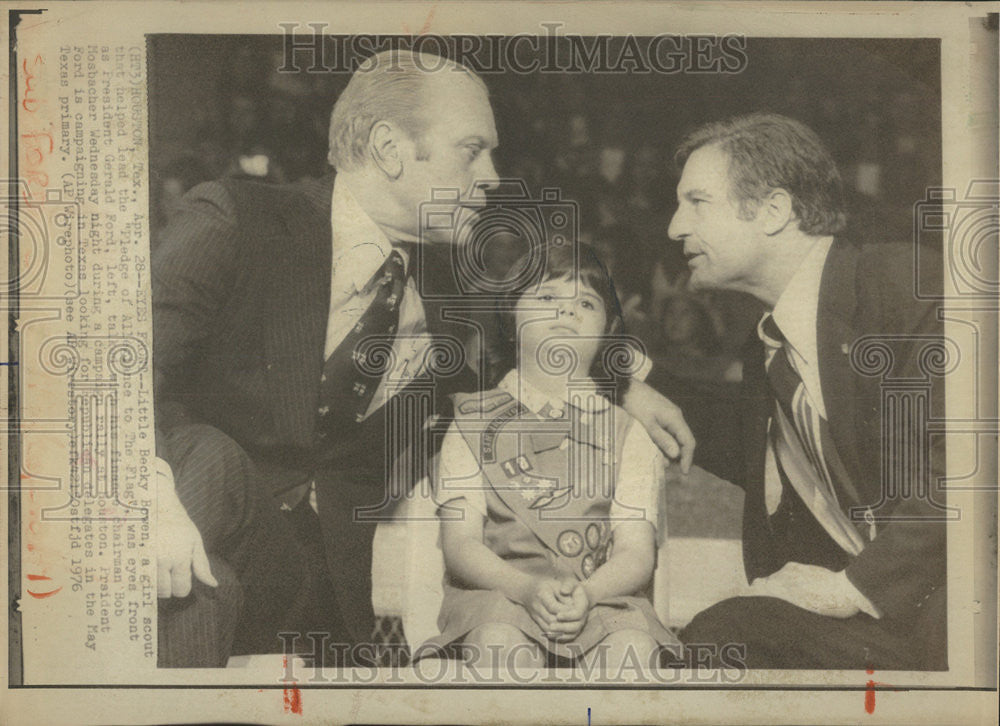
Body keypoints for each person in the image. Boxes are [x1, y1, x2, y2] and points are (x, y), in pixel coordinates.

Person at [152, 50, 696, 667]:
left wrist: (628, 384)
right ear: (390, 147)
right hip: (194, 517)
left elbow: (534, 357)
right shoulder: (239, 220)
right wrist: (153, 493)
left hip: (318, 587)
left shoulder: (450, 291)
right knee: (203, 514)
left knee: (196, 584)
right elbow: (119, 366)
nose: (492, 176)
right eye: (472, 149)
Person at [667, 113, 946, 669]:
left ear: (773, 210)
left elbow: (971, 470)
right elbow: (730, 436)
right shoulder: (769, 345)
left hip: (955, 620)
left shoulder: (908, 288)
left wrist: (852, 587)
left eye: (696, 202)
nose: (675, 228)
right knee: (715, 636)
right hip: (874, 627)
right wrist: (628, 382)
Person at [425, 243, 680, 671]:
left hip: (601, 596)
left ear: (608, 329)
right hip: (501, 594)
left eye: (586, 302)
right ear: (510, 318)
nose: (567, 312)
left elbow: (636, 552)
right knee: (500, 644)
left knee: (631, 651)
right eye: (546, 298)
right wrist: (524, 590)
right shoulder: (471, 422)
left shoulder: (628, 432)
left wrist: (590, 593)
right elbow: (461, 543)